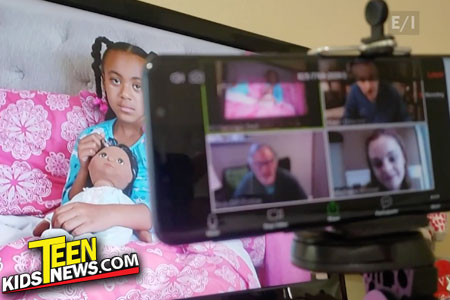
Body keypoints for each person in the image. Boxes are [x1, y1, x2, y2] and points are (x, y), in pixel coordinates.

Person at [35, 37, 152, 241]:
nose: (125, 94)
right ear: (104, 81)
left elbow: (154, 215)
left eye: (137, 86)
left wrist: (103, 214)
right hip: (84, 232)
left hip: (126, 238)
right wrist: (83, 167)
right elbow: (69, 202)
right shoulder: (91, 136)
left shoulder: (156, 144)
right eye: (115, 81)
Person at [35, 144, 142, 246]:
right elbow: (68, 208)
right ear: (89, 166)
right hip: (79, 233)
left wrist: (142, 232)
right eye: (103, 155)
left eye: (120, 161)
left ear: (130, 177)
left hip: (108, 239)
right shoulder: (83, 194)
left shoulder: (121, 199)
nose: (110, 160)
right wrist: (49, 221)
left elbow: (137, 220)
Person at [342, 60, 412, 124]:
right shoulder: (354, 92)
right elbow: (346, 122)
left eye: (372, 79)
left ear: (378, 77)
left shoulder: (392, 92)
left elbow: (407, 121)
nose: (368, 86)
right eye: (362, 80)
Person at [233, 143, 307, 204]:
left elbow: (304, 205)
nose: (265, 170)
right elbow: (237, 213)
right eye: (259, 164)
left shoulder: (289, 179)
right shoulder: (246, 184)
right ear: (251, 166)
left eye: (269, 162)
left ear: (276, 162)